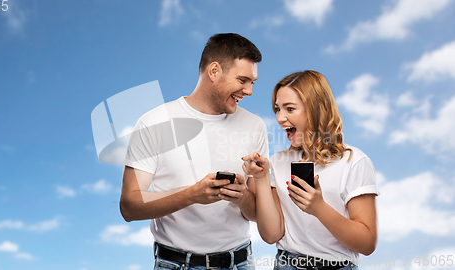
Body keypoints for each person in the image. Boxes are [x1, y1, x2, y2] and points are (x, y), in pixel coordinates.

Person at [120, 33, 268, 270]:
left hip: (240, 263)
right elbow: (129, 205)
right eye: (242, 80)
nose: (249, 91)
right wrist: (192, 195)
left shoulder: (255, 126)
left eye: (253, 82)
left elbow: (259, 214)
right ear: (214, 71)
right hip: (176, 264)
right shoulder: (155, 122)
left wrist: (242, 197)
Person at [242, 70, 378, 270]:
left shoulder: (354, 161)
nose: (280, 118)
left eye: (289, 109)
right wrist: (261, 178)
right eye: (277, 109)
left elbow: (367, 244)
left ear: (315, 109)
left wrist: (318, 208)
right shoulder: (279, 162)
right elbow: (271, 235)